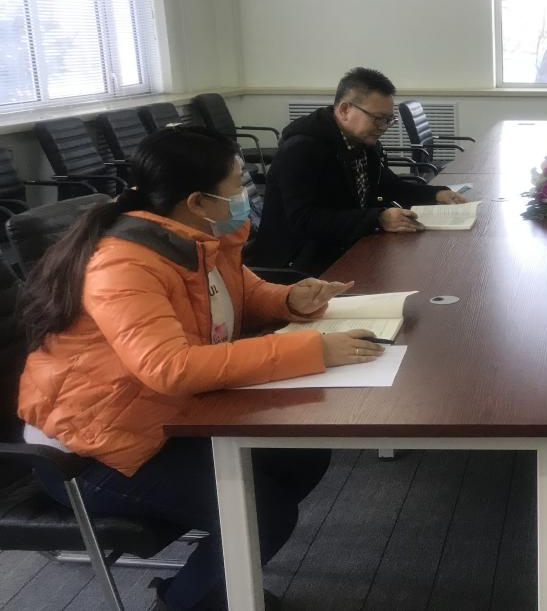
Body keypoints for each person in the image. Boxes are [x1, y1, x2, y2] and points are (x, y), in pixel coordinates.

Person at [18, 126, 385, 610]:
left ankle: (223, 574)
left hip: (164, 417)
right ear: (197, 201)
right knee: (262, 513)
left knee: (301, 456)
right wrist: (315, 349)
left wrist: (290, 300)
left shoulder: (198, 238)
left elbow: (241, 293)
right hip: (91, 450)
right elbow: (169, 367)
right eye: (237, 184)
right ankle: (184, 601)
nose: (246, 192)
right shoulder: (123, 264)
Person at [253, 66, 466, 274]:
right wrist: (377, 218)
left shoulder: (363, 142)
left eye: (388, 120)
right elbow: (304, 220)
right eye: (377, 119)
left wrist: (436, 193)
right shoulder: (302, 148)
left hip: (344, 244)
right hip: (299, 262)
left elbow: (388, 185)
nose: (383, 127)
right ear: (344, 110)